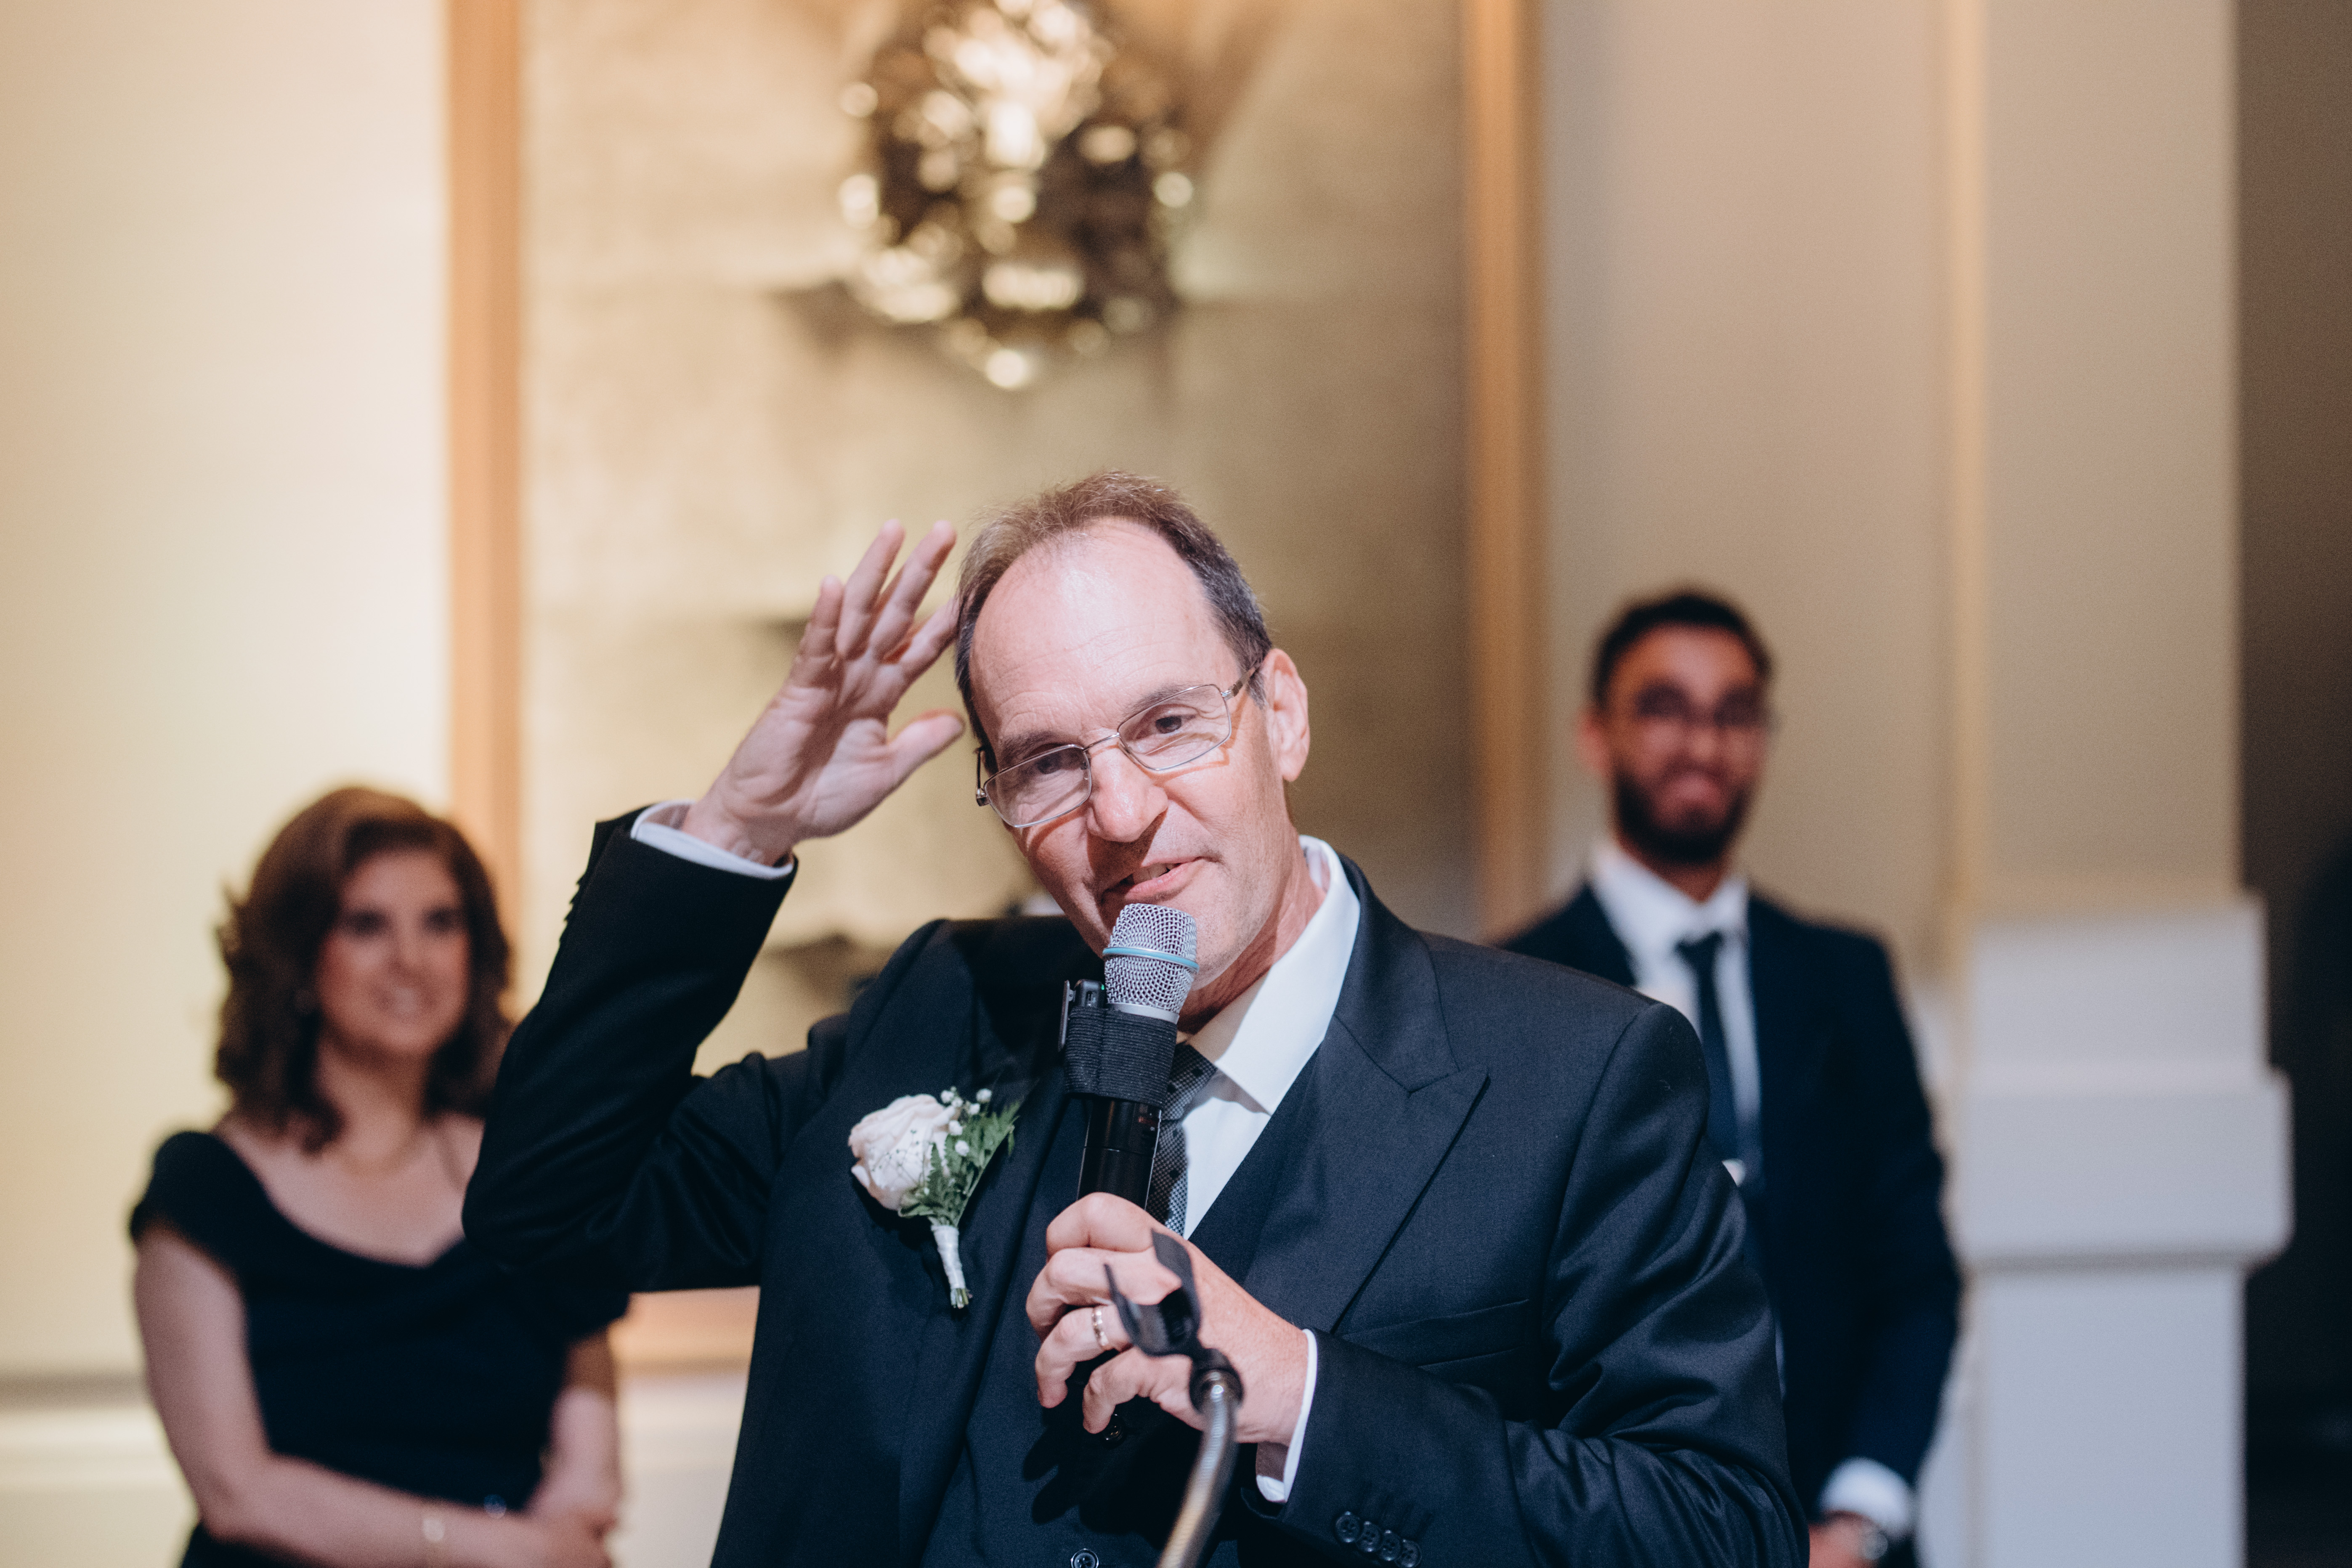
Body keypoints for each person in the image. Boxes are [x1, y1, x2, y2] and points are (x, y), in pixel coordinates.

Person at [465, 472, 1807, 1567]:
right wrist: (735, 830)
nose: (1117, 815)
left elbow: (1719, 1532)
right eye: (1048, 763)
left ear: (1279, 714)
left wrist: (1299, 1396)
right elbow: (548, 1206)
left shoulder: (1573, 1075)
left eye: (1167, 724)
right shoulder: (943, 1005)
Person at [1503, 591, 1962, 1568]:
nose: (1702, 744)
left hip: (1842, 1529)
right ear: (1594, 734)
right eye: (1663, 707)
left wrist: (1859, 1519)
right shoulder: (1512, 987)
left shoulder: (1846, 977)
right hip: (1611, 1529)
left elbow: (1914, 1272)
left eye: (1734, 713)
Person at [132, 788, 629, 1568]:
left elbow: (589, 1473)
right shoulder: (206, 1191)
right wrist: (485, 1549)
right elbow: (237, 1493)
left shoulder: (530, 1174)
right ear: (298, 957)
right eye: (366, 925)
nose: (411, 960)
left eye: (441, 922)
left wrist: (540, 1549)